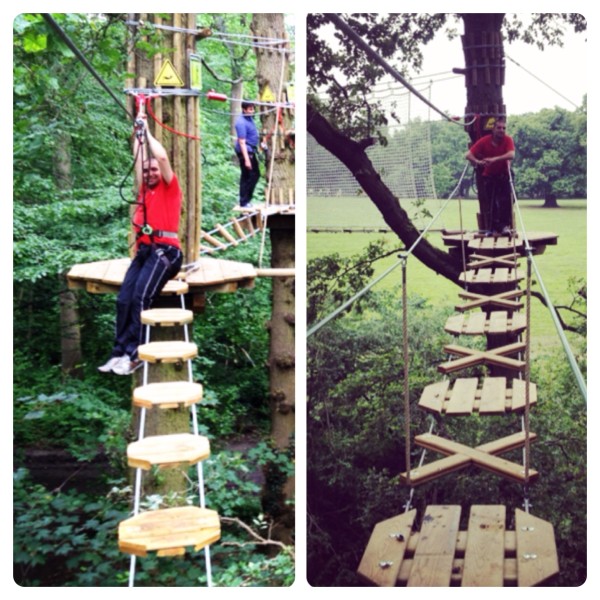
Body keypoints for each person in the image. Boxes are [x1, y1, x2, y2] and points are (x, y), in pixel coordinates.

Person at [98, 111, 183, 375]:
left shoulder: (170, 188)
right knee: (124, 299)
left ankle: (136, 354)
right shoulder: (145, 189)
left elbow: (161, 157)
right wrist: (138, 129)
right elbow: (139, 158)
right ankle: (119, 352)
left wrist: (147, 132)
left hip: (166, 252)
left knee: (140, 298)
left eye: (153, 169)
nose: (149, 172)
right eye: (146, 171)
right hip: (146, 252)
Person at [465, 117, 516, 235]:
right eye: (498, 128)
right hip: (489, 176)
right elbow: (468, 155)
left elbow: (511, 155)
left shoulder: (508, 140)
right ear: (493, 129)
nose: (501, 130)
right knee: (491, 203)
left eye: (504, 128)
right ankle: (492, 228)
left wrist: (494, 159)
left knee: (507, 200)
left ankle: (504, 226)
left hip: (504, 175)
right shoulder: (484, 141)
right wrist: (478, 162)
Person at [234, 100, 260, 207]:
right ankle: (244, 202)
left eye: (253, 109)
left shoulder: (249, 118)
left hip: (251, 150)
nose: (252, 111)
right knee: (248, 176)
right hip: (245, 152)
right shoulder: (240, 122)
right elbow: (242, 142)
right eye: (250, 109)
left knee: (254, 175)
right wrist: (247, 160)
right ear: (244, 109)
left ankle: (246, 200)